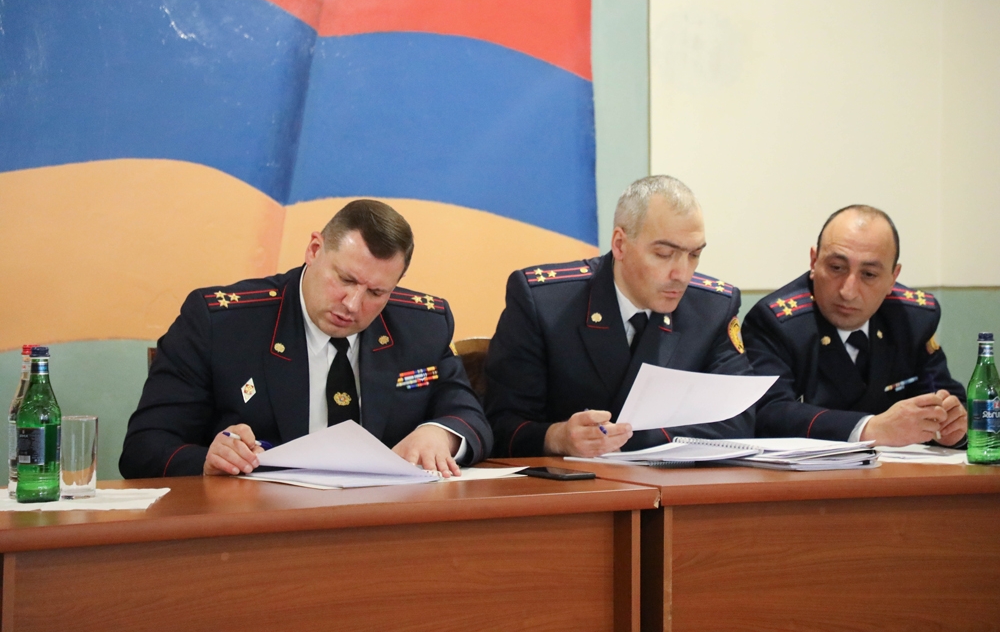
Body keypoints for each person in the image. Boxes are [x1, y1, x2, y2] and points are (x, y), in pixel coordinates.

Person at [120, 199, 492, 478]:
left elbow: (468, 415)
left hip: (382, 527)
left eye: (376, 292)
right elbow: (143, 447)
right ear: (314, 250)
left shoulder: (421, 325)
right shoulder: (223, 324)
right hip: (258, 530)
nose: (353, 304)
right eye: (345, 279)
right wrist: (208, 459)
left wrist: (440, 435)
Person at [485, 175, 755, 458]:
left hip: (672, 480)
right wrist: (556, 438)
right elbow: (501, 424)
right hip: (569, 481)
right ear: (620, 244)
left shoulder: (712, 308)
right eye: (664, 254)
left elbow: (739, 419)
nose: (682, 274)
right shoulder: (545, 302)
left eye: (694, 255)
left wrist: (634, 439)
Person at [742, 205, 967, 446]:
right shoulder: (777, 323)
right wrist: (868, 429)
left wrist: (952, 427)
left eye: (869, 274)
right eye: (836, 268)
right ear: (814, 261)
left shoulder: (912, 318)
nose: (848, 292)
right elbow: (768, 413)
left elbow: (942, 395)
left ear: (893, 277)